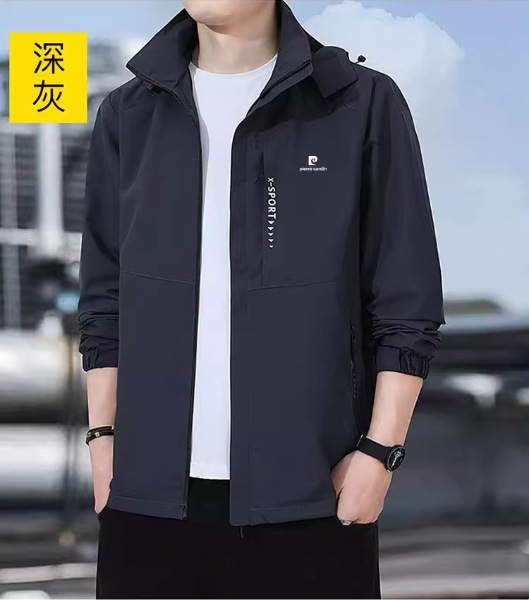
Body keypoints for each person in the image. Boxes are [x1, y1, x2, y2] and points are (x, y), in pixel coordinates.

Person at [78, 0, 444, 598]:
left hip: (313, 498)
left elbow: (407, 300)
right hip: (145, 502)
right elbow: (104, 297)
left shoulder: (359, 103)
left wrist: (380, 453)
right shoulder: (127, 113)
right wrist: (102, 439)